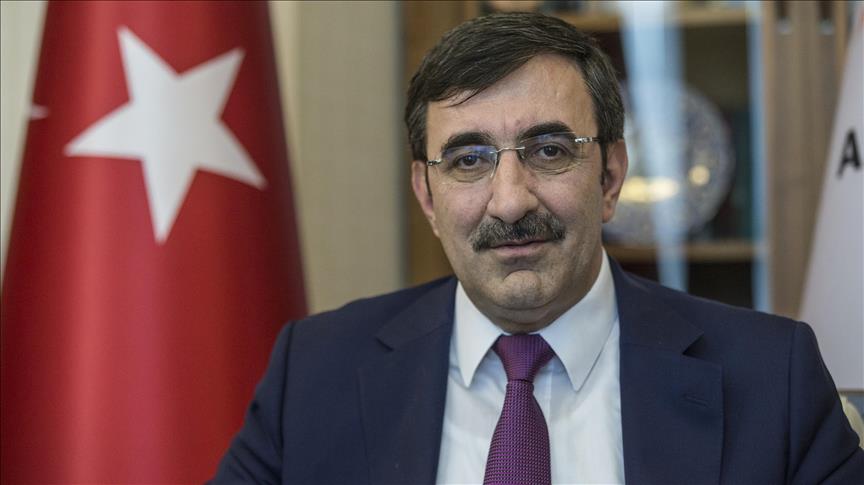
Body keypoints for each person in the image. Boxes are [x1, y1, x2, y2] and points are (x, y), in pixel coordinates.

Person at [211, 12, 864, 484]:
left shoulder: (771, 379)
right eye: (468, 160)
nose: (509, 201)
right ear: (427, 196)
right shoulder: (314, 375)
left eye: (549, 150)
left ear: (610, 176)